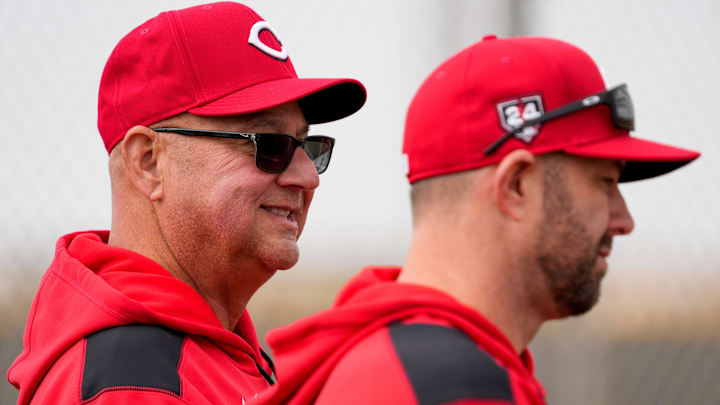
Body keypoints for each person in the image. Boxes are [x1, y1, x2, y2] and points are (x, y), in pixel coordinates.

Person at [251, 35, 700, 405]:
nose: (624, 220)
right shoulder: (448, 384)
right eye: (604, 183)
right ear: (517, 187)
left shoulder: (397, 354)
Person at [7, 2, 365, 404]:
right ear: (148, 162)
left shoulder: (204, 349)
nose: (308, 176)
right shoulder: (136, 383)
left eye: (308, 145)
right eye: (270, 144)